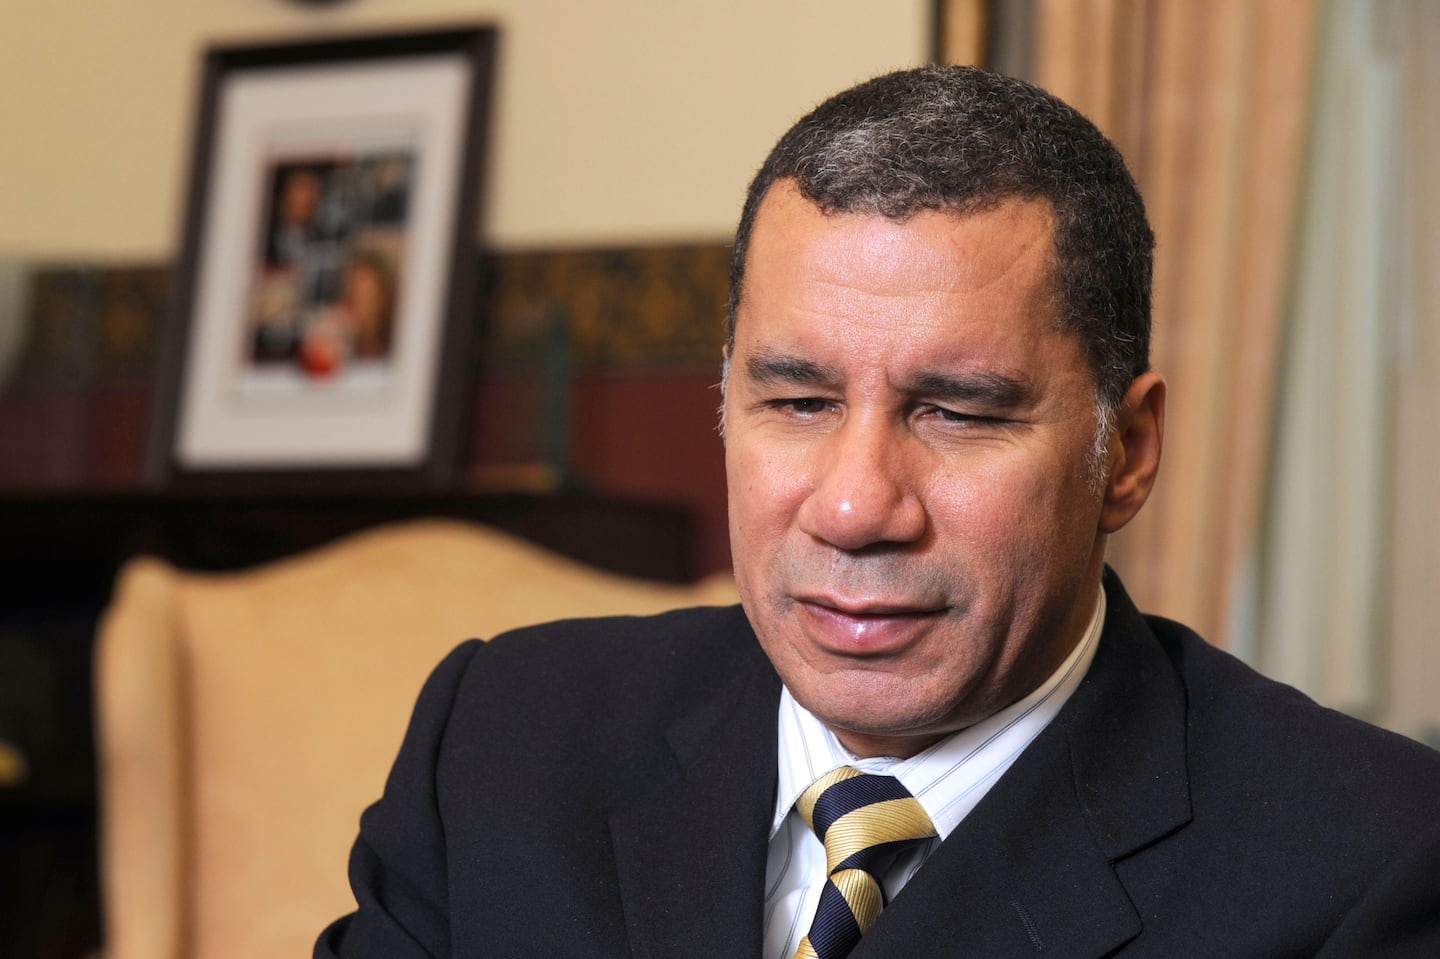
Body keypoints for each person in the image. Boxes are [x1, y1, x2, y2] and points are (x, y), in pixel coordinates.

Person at [316, 66, 1440, 958]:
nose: (855, 507)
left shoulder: (1367, 857)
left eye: (956, 411)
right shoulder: (503, 735)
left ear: (1126, 454)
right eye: (797, 400)